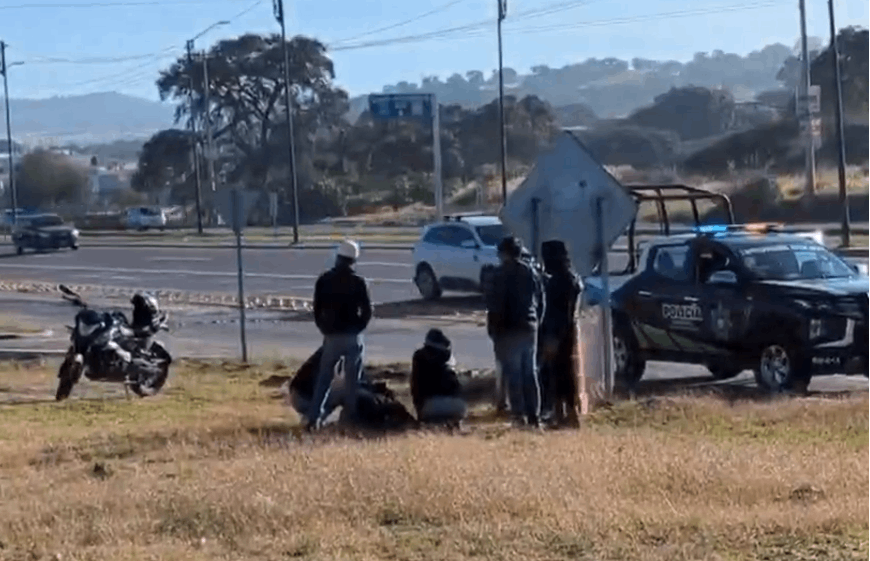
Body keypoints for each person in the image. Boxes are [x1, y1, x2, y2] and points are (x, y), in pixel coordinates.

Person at [307, 239, 373, 431]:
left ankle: (314, 418)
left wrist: (324, 329)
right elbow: (367, 311)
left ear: (338, 257)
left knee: (324, 378)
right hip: (352, 335)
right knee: (352, 381)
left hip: (332, 335)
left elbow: (317, 309)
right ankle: (350, 419)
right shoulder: (359, 282)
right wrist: (358, 328)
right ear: (354, 260)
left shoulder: (324, 280)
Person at [486, 236, 546, 428]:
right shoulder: (532, 273)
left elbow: (494, 305)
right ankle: (534, 416)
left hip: (508, 328)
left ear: (504, 254)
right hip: (529, 327)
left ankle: (518, 415)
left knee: (514, 373)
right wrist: (536, 320)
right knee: (530, 372)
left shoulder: (499, 274)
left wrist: (493, 330)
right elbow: (541, 301)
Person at [539, 240, 583, 427]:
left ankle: (564, 415)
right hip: (568, 330)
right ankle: (566, 414)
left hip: (557, 333)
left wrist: (552, 338)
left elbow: (556, 312)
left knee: (558, 374)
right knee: (565, 374)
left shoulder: (560, 280)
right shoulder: (572, 277)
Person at [410, 328, 467, 427]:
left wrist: (420, 412)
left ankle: (435, 423)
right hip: (457, 405)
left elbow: (416, 388)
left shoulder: (419, 358)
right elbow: (458, 385)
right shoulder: (449, 359)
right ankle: (455, 423)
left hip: (430, 406)